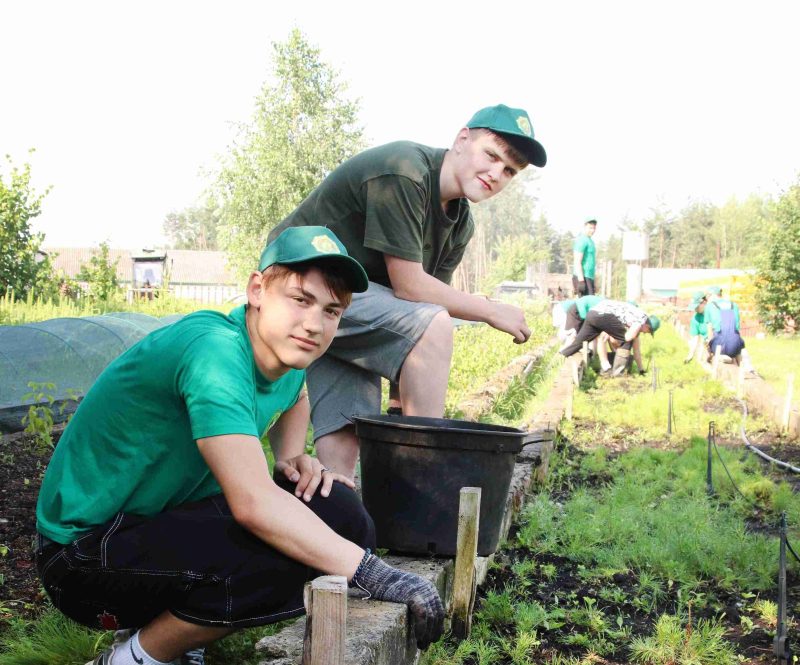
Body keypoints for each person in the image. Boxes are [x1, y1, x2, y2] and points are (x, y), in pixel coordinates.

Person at [35, 227, 445, 665]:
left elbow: (296, 395)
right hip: (84, 557)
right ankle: (133, 658)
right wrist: (375, 574)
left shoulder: (283, 354)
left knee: (340, 513)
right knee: (279, 561)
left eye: (332, 311)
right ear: (256, 290)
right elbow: (252, 503)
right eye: (300, 299)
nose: (314, 324)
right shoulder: (215, 351)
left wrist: (290, 455)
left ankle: (180, 629)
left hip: (152, 526)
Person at [268, 104, 547, 479]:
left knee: (344, 447)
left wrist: (402, 407)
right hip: (297, 284)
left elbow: (417, 310)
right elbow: (410, 286)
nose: (496, 173)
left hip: (351, 302)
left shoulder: (460, 224)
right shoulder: (405, 171)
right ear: (462, 139)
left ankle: (346, 521)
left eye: (509, 170)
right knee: (435, 324)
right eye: (492, 155)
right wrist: (489, 309)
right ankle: (426, 482)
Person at [560, 299, 659, 378]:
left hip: (593, 313)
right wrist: (632, 335)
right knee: (627, 341)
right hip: (603, 315)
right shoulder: (641, 320)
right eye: (648, 332)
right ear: (648, 327)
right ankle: (618, 374)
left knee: (579, 342)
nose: (645, 333)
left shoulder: (638, 314)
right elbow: (627, 337)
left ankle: (561, 356)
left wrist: (641, 369)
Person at [704, 285, 752, 369]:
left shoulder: (709, 306)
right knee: (738, 343)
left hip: (718, 344)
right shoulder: (734, 305)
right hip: (735, 344)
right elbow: (736, 329)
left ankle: (719, 357)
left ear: (712, 295)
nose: (707, 300)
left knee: (706, 342)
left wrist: (708, 346)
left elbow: (709, 331)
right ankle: (744, 366)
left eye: (707, 297)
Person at [572, 218, 597, 296]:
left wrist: (593, 281)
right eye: (590, 228)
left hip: (589, 277)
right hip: (582, 277)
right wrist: (581, 281)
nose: (592, 230)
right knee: (585, 304)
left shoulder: (590, 241)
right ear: (585, 227)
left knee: (591, 303)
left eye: (594, 228)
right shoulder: (581, 240)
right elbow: (577, 261)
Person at [684, 291, 709, 363]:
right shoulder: (695, 319)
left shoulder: (713, 313)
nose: (695, 309)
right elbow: (695, 338)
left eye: (696, 306)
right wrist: (690, 354)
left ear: (703, 302)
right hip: (707, 347)